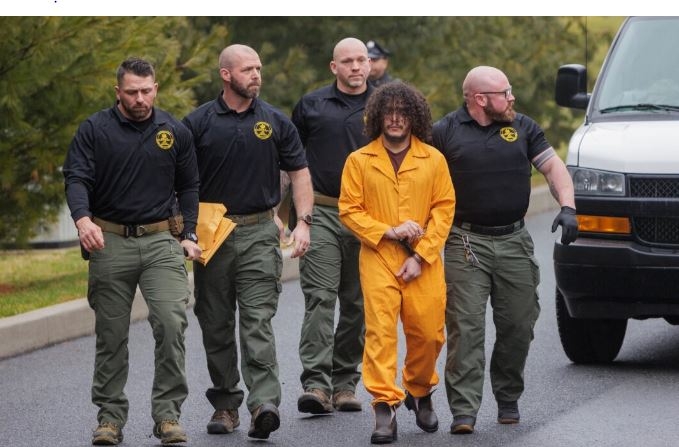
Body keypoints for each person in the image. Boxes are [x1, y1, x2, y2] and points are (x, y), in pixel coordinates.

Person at [432, 65, 578, 435]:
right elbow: (421, 180)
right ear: (480, 99)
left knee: (518, 323)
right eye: (505, 92)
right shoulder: (444, 132)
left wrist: (568, 207)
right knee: (465, 328)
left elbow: (553, 167)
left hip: (514, 240)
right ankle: (463, 410)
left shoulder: (524, 128)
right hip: (464, 241)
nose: (512, 97)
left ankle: (508, 395)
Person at [63, 57, 201, 446]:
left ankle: (168, 415)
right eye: (131, 92)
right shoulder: (95, 129)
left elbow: (189, 186)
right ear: (117, 92)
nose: (140, 99)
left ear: (155, 88)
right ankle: (109, 418)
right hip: (109, 240)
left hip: (161, 240)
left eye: (146, 90)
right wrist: (82, 219)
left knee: (172, 323)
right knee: (111, 334)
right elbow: (77, 178)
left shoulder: (173, 130)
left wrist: (188, 232)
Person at [182, 44, 313, 440]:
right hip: (213, 233)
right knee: (216, 323)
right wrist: (183, 230)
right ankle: (226, 405)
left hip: (259, 230)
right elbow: (179, 179)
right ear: (226, 74)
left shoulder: (274, 120)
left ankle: (263, 405)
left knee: (257, 320)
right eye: (247, 69)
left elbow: (300, 173)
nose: (256, 75)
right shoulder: (198, 123)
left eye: (258, 68)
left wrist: (303, 223)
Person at [338, 81, 455, 444]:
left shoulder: (433, 159)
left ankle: (419, 390)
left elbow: (444, 209)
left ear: (413, 117)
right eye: (388, 113)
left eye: (402, 113)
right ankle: (384, 407)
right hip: (378, 256)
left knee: (429, 332)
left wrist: (422, 255)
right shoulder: (359, 161)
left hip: (424, 259)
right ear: (377, 118)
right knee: (380, 334)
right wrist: (388, 230)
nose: (394, 119)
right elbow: (349, 210)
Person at [290, 37, 373, 415]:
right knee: (321, 298)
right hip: (322, 210)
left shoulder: (387, 103)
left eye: (362, 60)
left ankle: (345, 383)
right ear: (333, 67)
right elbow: (291, 164)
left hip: (370, 218)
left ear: (369, 65)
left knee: (357, 304)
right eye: (348, 61)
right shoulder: (311, 105)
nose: (356, 67)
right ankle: (316, 385)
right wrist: (286, 218)